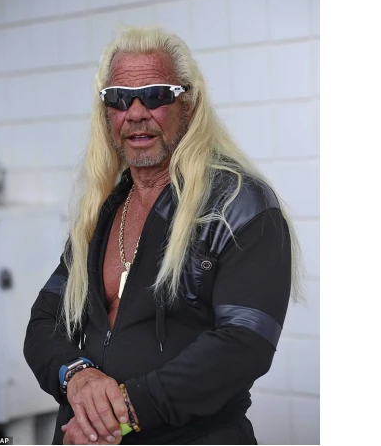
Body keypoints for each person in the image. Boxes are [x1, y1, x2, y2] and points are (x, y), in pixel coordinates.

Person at [24, 26, 302, 445]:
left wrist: (120, 414)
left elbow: (245, 344)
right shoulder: (103, 211)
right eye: (119, 98)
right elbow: (45, 321)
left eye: (155, 95)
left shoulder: (239, 204)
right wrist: (76, 376)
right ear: (106, 113)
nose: (136, 112)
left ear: (188, 104)